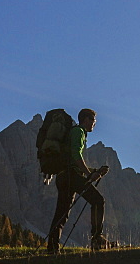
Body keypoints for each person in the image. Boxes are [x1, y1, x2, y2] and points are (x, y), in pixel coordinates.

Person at [46, 108, 110, 254]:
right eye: (93, 121)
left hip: (63, 176)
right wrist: (89, 174)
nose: (94, 124)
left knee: (62, 213)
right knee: (98, 200)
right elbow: (76, 155)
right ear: (86, 120)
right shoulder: (78, 132)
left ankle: (52, 248)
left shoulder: (74, 132)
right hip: (71, 176)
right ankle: (96, 239)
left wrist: (95, 171)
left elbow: (74, 160)